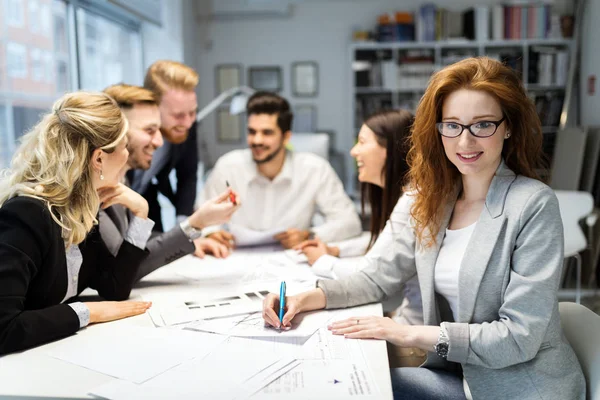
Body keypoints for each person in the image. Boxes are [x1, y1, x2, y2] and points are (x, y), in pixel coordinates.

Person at [262, 57, 586, 400]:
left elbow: (519, 337)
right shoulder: (431, 200)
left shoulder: (533, 204)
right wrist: (305, 298)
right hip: (457, 376)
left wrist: (408, 334)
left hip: (518, 387)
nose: (465, 141)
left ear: (508, 127)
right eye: (452, 125)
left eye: (482, 125)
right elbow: (375, 277)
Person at [0, 92, 153, 355]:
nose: (128, 155)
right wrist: (88, 311)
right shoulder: (26, 214)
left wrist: (141, 213)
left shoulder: (79, 209)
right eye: (124, 146)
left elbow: (115, 287)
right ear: (99, 159)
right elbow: (4, 329)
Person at [100, 84, 239, 282]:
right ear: (116, 134)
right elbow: (123, 268)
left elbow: (132, 244)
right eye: (150, 130)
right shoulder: (97, 190)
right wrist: (195, 224)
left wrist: (185, 239)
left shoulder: (120, 181)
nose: (159, 142)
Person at [200, 91, 361, 249]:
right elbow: (201, 215)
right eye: (252, 132)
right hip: (234, 259)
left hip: (291, 262)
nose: (257, 140)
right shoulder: (228, 166)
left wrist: (308, 235)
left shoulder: (314, 169)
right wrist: (211, 233)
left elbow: (350, 223)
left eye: (267, 133)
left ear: (286, 137)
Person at [130, 60, 200, 232]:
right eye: (178, 115)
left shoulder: (185, 125)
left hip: (146, 200)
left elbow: (187, 176)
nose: (188, 122)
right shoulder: (120, 132)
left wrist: (186, 231)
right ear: (151, 106)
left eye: (192, 112)